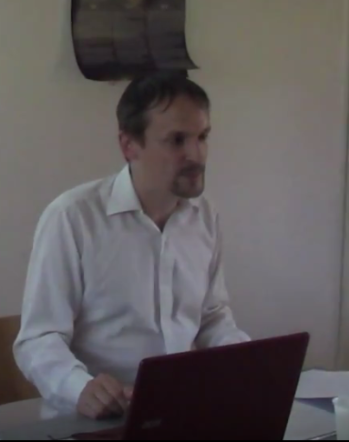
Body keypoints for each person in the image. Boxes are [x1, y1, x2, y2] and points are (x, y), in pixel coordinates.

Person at [13, 72, 250, 422]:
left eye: (202, 137)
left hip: (180, 414)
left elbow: (211, 318)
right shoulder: (74, 217)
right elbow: (38, 339)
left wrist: (247, 362)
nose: (196, 155)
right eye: (177, 140)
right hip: (95, 422)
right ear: (129, 146)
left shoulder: (204, 216)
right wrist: (79, 387)